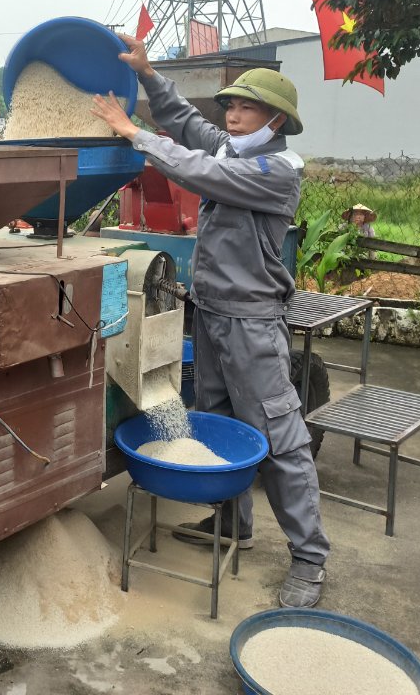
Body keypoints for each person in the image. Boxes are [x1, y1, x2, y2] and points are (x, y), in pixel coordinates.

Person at [90, 35, 330, 609]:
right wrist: (148, 75)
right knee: (218, 421)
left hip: (252, 324)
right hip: (214, 316)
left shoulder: (276, 169)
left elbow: (195, 168)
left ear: (275, 118)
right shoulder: (237, 150)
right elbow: (188, 126)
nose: (231, 113)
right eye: (230, 106)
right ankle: (234, 524)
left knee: (277, 437)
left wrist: (134, 134)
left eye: (245, 106)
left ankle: (310, 559)